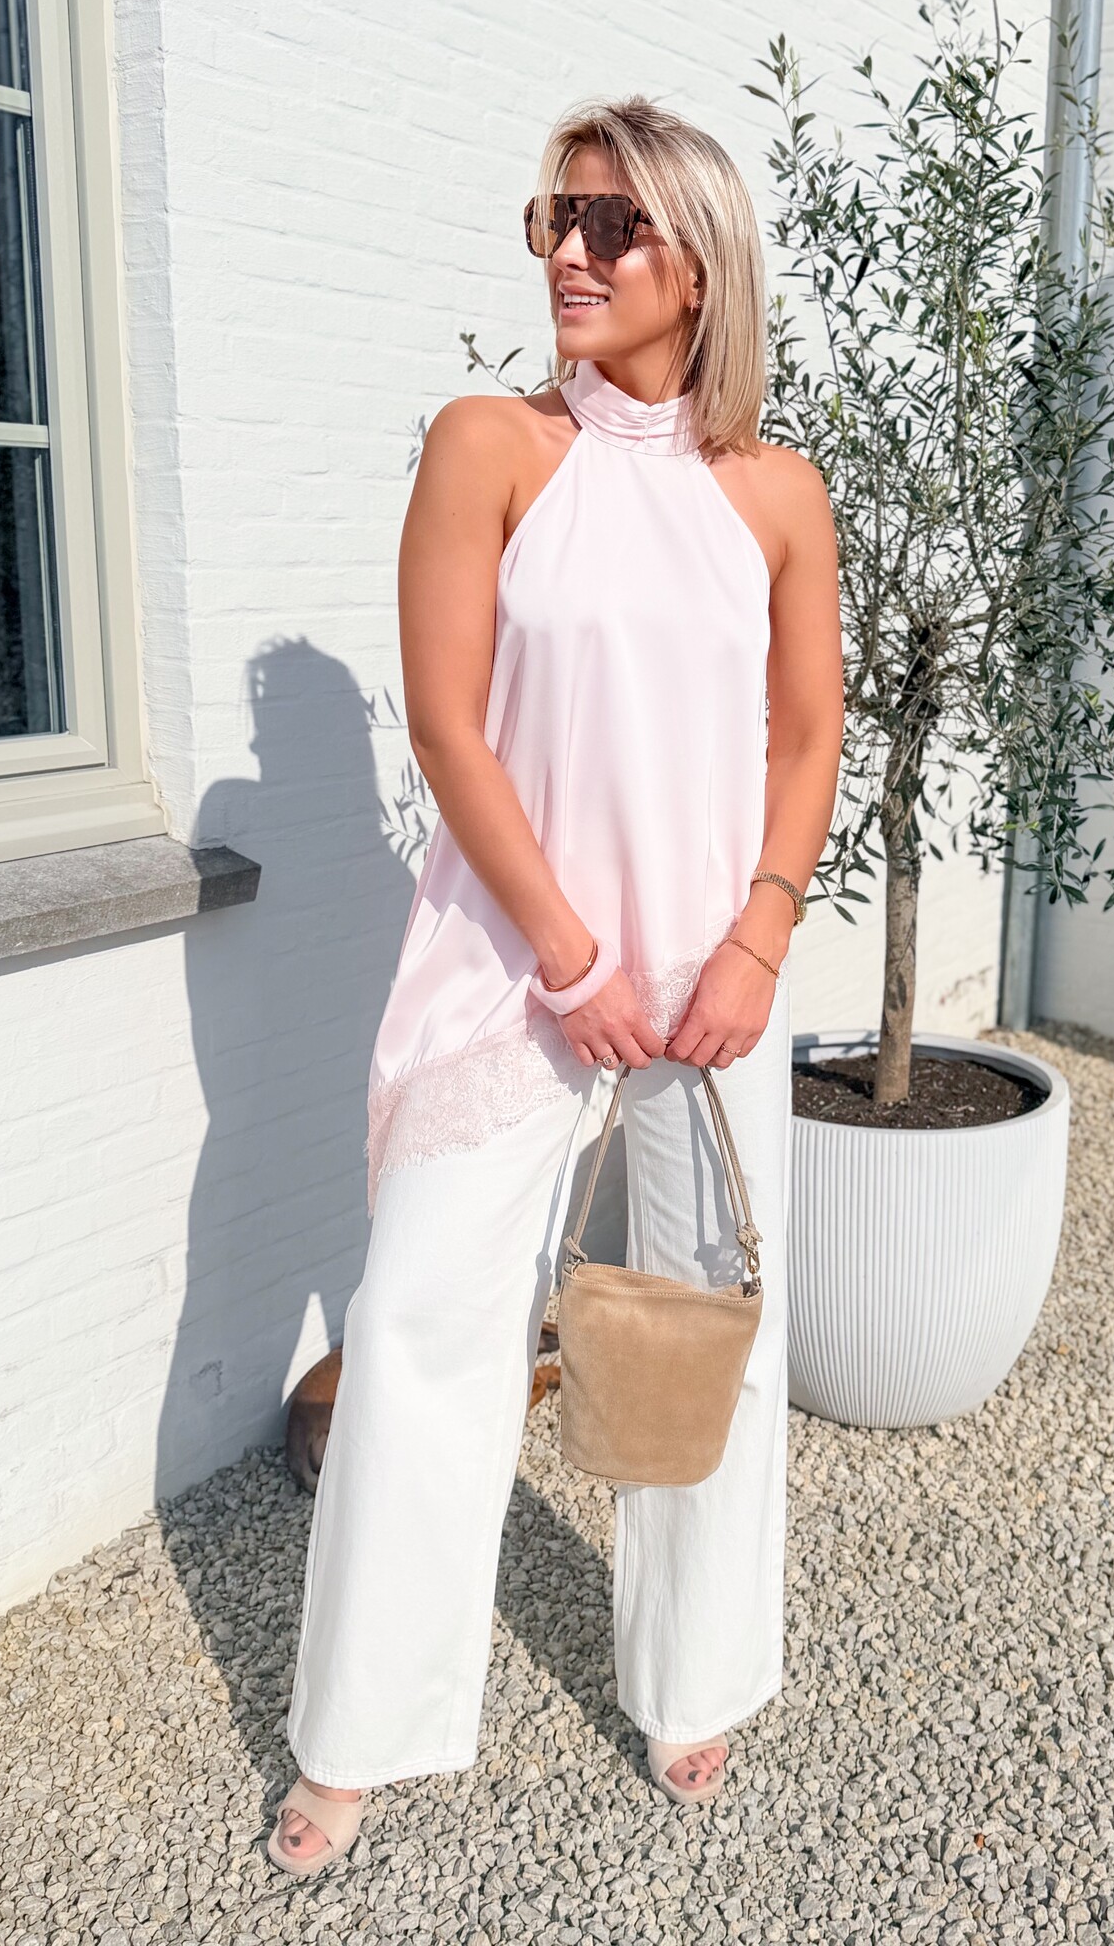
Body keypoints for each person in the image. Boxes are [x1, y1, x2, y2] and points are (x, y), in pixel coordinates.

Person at [267, 94, 843, 1875]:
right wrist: (571, 958)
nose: (570, 254)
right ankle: (358, 1732)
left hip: (713, 993)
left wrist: (758, 939)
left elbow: (807, 736)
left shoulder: (777, 492)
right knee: (425, 1325)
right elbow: (450, 729)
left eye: (612, 224)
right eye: (554, 219)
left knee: (703, 1333)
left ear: (701, 262)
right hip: (517, 975)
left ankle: (695, 1674)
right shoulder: (491, 445)